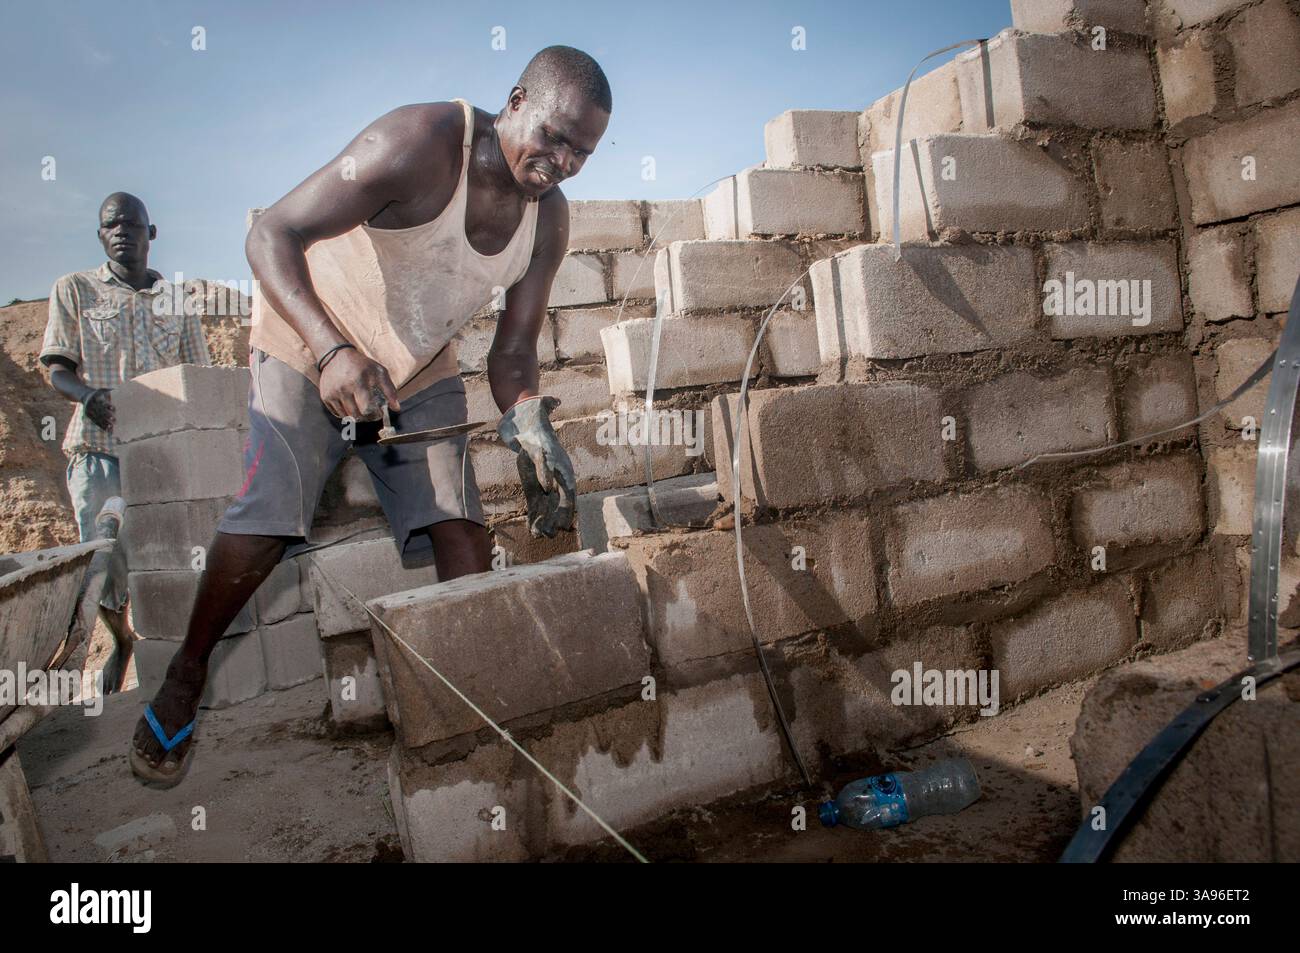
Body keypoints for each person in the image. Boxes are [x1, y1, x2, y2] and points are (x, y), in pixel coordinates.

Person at [129, 46, 611, 786]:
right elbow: (269, 236)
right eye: (553, 135)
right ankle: (188, 671)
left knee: (461, 525)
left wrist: (526, 419)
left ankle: (466, 719)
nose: (561, 161)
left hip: (416, 362)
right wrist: (330, 354)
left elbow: (513, 353)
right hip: (309, 334)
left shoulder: (547, 222)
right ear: (516, 101)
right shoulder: (417, 143)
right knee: (273, 509)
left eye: (582, 151)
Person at [40, 192, 212, 695]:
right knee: (102, 561)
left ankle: (174, 658)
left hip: (160, 452)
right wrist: (87, 394)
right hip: (98, 448)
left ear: (150, 233)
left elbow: (194, 377)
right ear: (100, 235)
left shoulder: (177, 302)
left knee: (171, 557)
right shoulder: (75, 289)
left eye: (131, 225)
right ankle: (122, 639)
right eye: (111, 225)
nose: (121, 232)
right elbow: (57, 368)